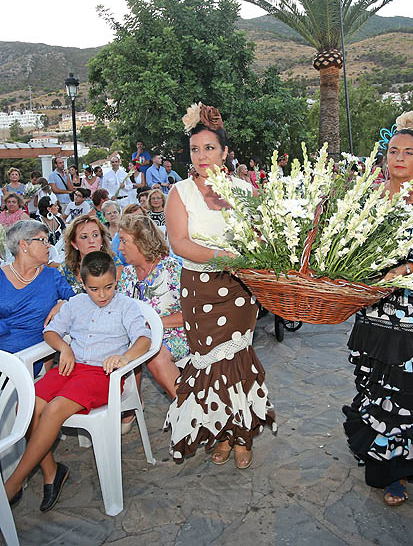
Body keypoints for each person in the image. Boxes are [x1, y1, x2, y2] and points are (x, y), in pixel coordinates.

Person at [342, 113, 413, 506]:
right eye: (393, 151)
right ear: (384, 157)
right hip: (371, 307)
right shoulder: (369, 197)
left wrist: (403, 269)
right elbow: (350, 243)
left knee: (403, 391)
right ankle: (376, 460)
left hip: (409, 312)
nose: (399, 158)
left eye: (409, 152)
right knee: (371, 386)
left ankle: (398, 473)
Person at [164, 103, 275, 469]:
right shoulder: (179, 193)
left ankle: (243, 435)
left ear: (226, 152)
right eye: (195, 149)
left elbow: (262, 237)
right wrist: (223, 256)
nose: (201, 156)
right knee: (210, 366)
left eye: (209, 148)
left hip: (240, 293)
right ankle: (222, 433)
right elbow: (179, 242)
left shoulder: (246, 190)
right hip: (199, 291)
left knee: (239, 361)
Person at [2, 251, 150, 512]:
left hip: (101, 375)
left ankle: (13, 483)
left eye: (108, 287)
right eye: (94, 289)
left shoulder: (126, 306)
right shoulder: (76, 304)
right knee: (25, 407)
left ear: (116, 280)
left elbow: (144, 339)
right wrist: (64, 348)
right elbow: (50, 331)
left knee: (55, 408)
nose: (102, 295)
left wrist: (123, 357)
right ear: (83, 285)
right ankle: (52, 470)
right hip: (70, 367)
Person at [117, 214, 187, 403]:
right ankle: (129, 406)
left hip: (176, 333)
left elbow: (192, 313)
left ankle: (187, 409)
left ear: (142, 242)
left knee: (154, 354)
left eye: (124, 241)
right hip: (139, 335)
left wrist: (153, 324)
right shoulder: (128, 273)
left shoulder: (171, 269)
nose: (119, 247)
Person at [0, 220, 74, 377]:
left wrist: (63, 304)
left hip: (32, 357)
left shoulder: (52, 276)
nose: (49, 246)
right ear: (24, 245)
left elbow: (79, 301)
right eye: (43, 240)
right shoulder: (1, 276)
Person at [59, 214, 122, 293]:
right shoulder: (65, 269)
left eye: (95, 235)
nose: (91, 241)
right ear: (74, 243)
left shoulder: (114, 262)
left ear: (102, 239)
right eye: (84, 237)